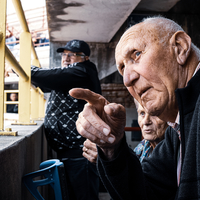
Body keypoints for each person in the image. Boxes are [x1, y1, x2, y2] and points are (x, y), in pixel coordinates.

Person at [69, 16, 200, 200]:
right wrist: (112, 146)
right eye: (122, 68)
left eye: (136, 54)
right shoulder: (176, 128)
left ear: (180, 47)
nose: (127, 79)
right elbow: (145, 193)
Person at [5, 39, 101, 200]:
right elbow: (43, 84)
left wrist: (18, 66)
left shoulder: (82, 71)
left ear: (85, 58)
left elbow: (43, 76)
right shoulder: (69, 77)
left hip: (80, 153)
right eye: (64, 54)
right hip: (71, 153)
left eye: (72, 55)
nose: (66, 58)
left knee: (84, 196)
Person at [83, 100, 168, 164]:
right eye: (142, 113)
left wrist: (111, 159)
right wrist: (106, 154)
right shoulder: (143, 146)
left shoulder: (174, 152)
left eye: (154, 114)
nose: (145, 121)